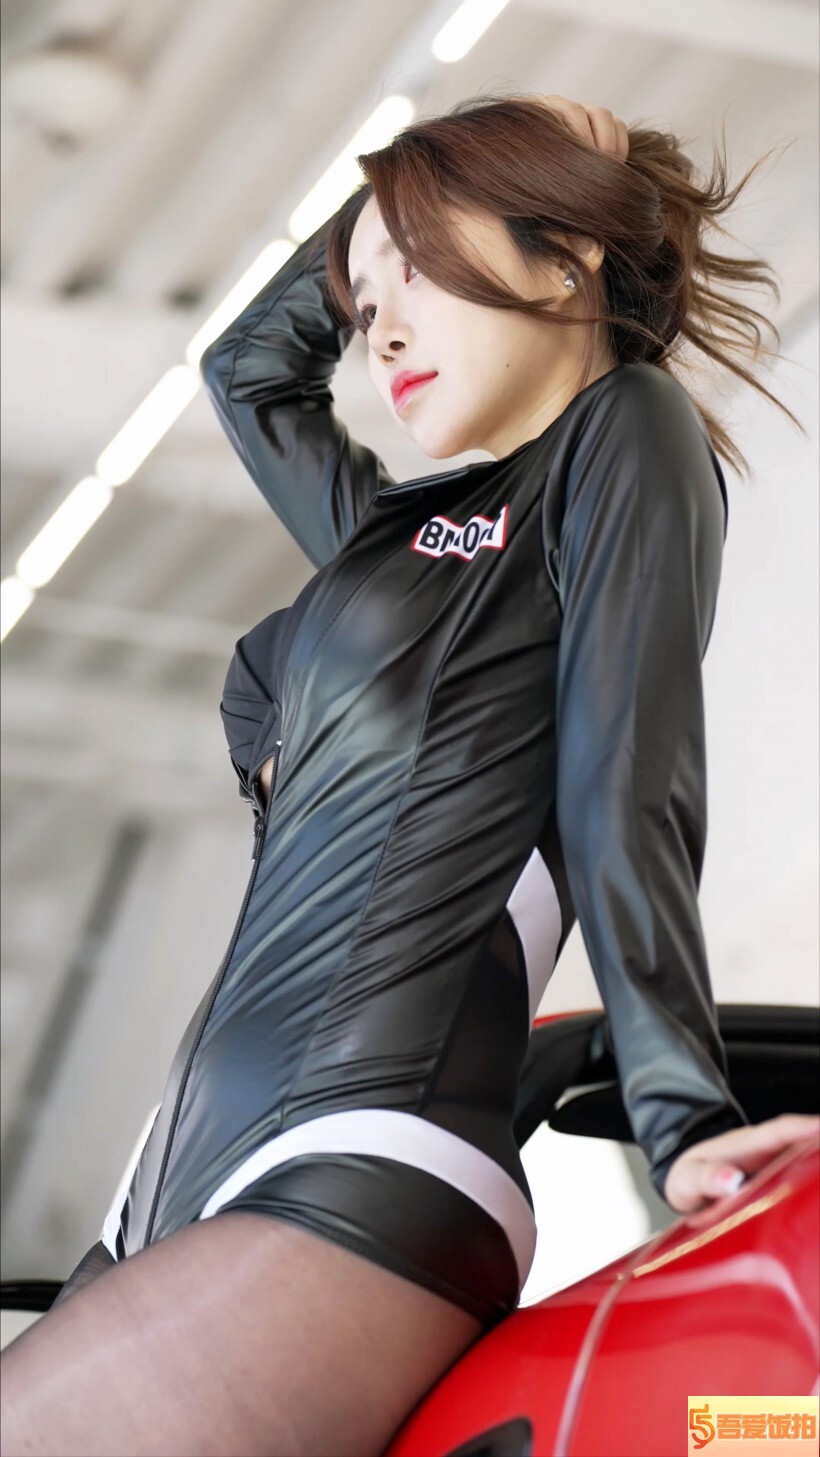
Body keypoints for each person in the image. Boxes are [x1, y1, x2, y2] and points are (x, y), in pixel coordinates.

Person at [1, 93, 817, 1457]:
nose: (379, 330)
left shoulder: (622, 438)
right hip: (177, 1177)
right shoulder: (391, 541)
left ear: (568, 256)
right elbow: (247, 371)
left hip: (368, 1149)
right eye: (364, 296)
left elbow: (629, 787)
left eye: (420, 274)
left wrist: (680, 1115)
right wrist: (395, 207)